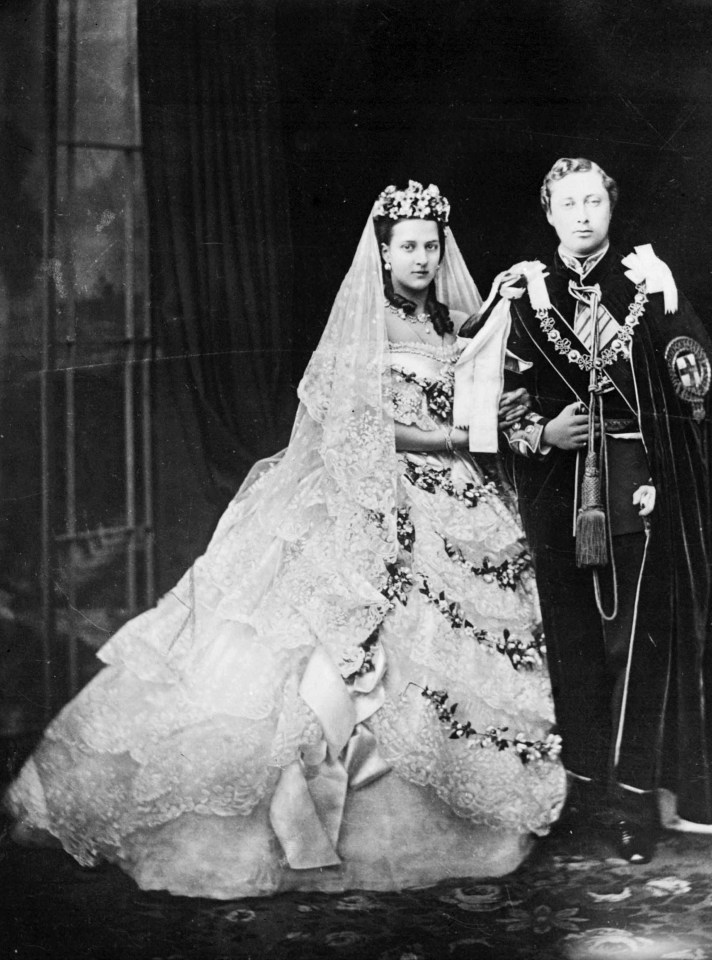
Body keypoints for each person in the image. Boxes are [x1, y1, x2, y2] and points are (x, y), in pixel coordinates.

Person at [4, 181, 566, 898]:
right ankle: (304, 820)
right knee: (331, 654)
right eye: (408, 248)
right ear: (384, 253)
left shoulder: (459, 325)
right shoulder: (365, 325)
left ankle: (438, 811)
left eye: (431, 246)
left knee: (436, 654)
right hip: (373, 490)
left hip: (453, 498)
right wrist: (448, 436)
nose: (421, 259)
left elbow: (488, 401)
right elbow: (355, 418)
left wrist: (504, 409)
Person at [479, 157, 712, 863]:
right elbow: (496, 392)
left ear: (610, 210)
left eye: (595, 202)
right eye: (570, 203)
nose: (584, 215)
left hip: (633, 488)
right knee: (569, 644)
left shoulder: (641, 286)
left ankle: (629, 805)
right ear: (549, 212)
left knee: (633, 649)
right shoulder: (525, 293)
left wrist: (657, 470)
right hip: (555, 489)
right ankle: (573, 797)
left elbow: (692, 383)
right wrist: (537, 433)